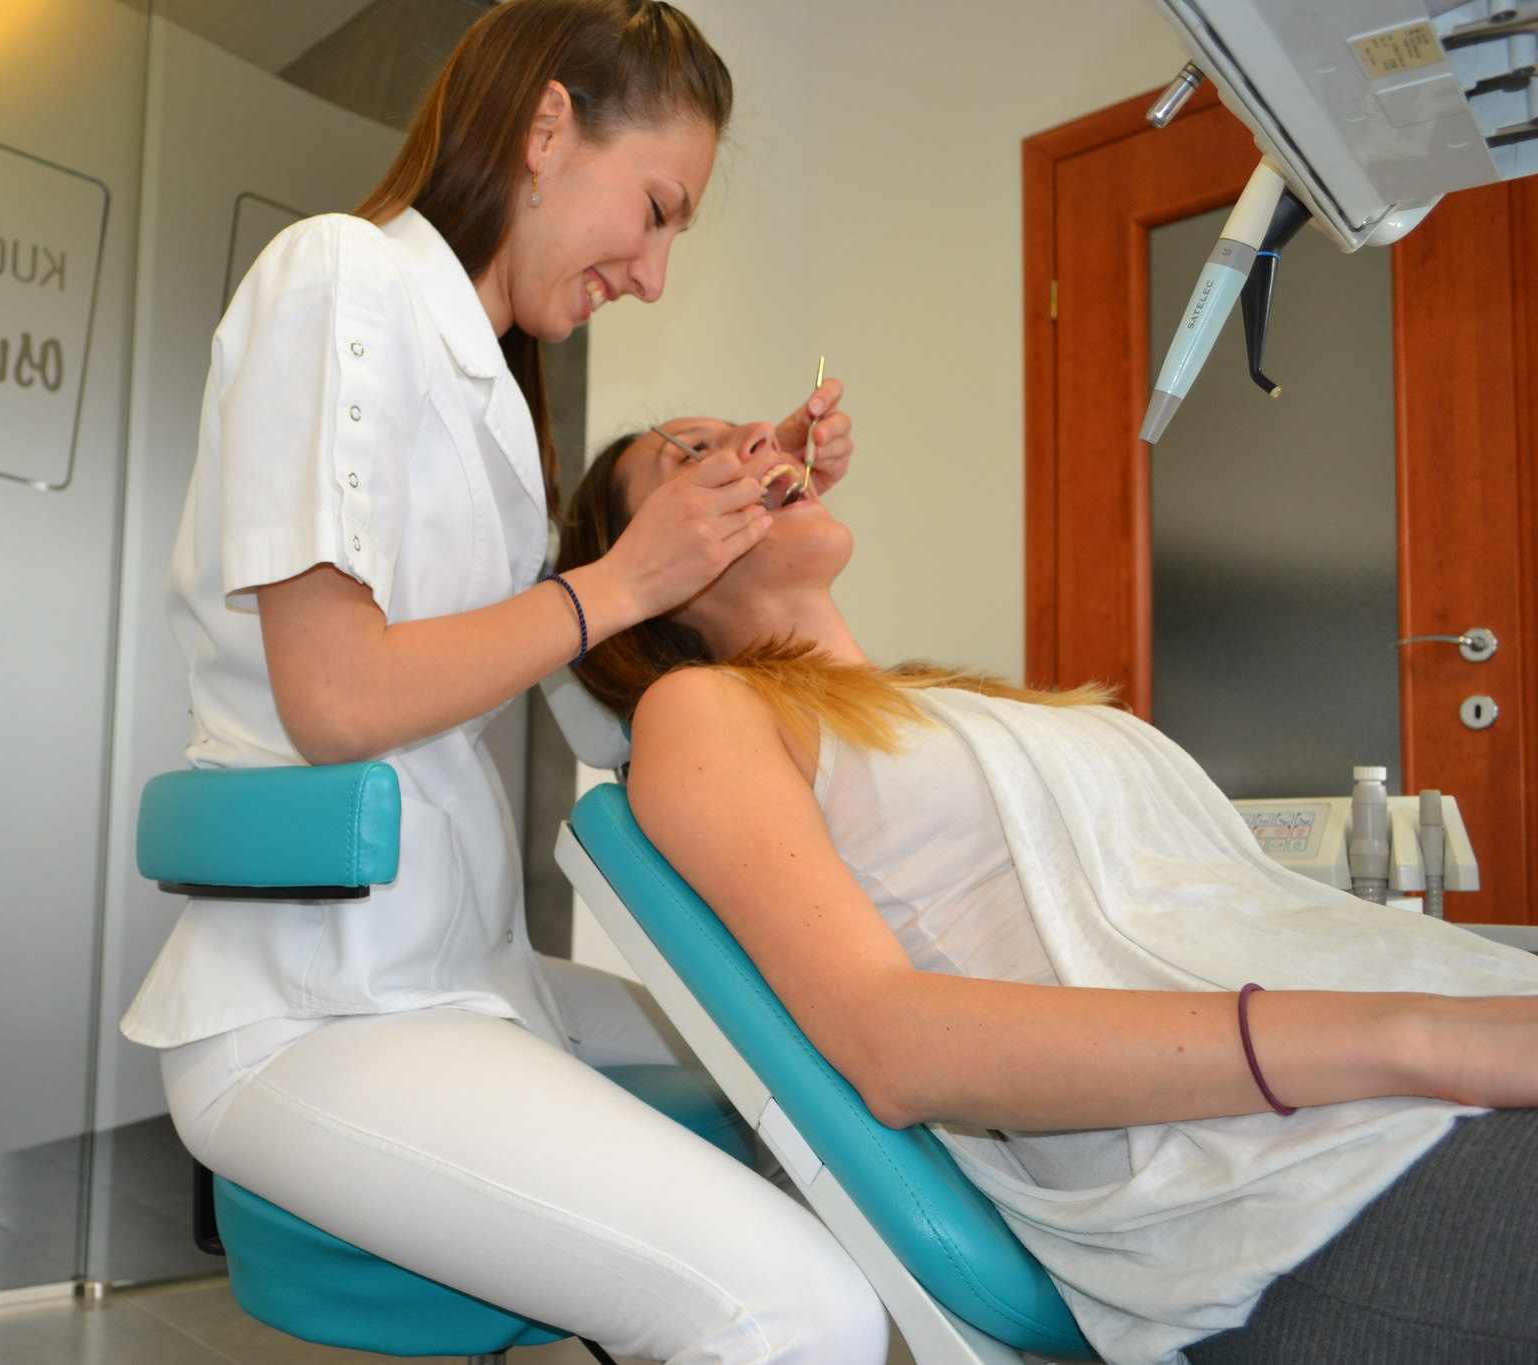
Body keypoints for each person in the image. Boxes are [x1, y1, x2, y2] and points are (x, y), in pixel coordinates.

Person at [121, 5, 894, 1362]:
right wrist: (621, 579)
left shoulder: (493, 395)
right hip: (316, 1002)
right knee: (799, 1311)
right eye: (654, 210)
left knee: (786, 1058)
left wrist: (734, 513)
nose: (655, 274)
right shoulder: (338, 280)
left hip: (457, 974)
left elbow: (603, 714)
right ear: (546, 131)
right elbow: (338, 696)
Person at [554, 416, 1538, 1365]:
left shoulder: (957, 700)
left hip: (1418, 1092)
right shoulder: (704, 711)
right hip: (1286, 1191)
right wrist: (1420, 1037)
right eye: (687, 457)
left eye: (742, 429)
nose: (745, 445)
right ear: (647, 585)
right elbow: (896, 1044)